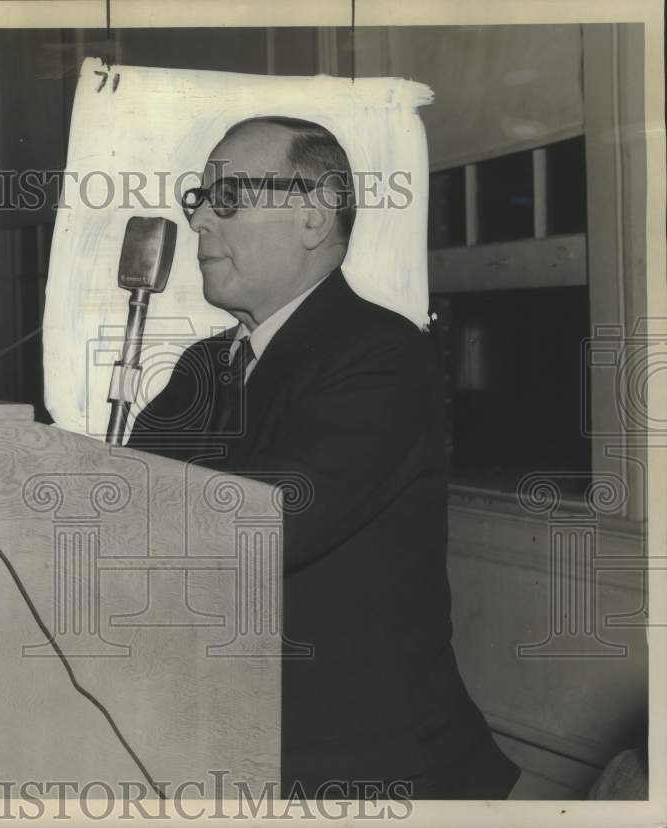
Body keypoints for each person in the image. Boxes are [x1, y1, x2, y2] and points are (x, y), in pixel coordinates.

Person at [127, 116, 520, 799]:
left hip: (362, 767)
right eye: (199, 201)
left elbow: (267, 525)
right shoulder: (202, 365)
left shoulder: (382, 356)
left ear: (312, 216)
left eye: (228, 198)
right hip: (224, 740)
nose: (198, 224)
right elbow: (129, 506)